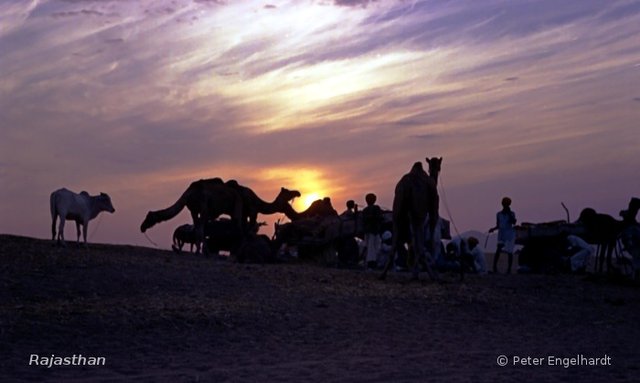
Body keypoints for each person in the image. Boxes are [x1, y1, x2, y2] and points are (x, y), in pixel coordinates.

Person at [489, 197, 517, 274]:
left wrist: (509, 214)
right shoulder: (498, 214)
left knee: (509, 252)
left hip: (509, 234)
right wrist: (493, 229)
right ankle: (494, 268)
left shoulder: (512, 213)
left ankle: (509, 269)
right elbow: (498, 225)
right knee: (498, 250)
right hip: (501, 234)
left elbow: (514, 222)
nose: (505, 205)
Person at [362, 193, 383, 269]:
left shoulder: (365, 210)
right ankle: (372, 263)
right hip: (374, 231)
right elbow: (380, 218)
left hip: (368, 231)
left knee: (369, 247)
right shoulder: (376, 208)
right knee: (373, 247)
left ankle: (370, 263)